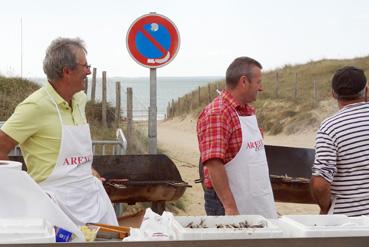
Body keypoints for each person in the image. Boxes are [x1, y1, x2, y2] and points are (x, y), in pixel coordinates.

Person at [0, 37, 118, 225]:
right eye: (85, 66)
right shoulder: (35, 106)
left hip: (92, 199)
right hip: (54, 206)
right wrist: (18, 192)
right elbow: (1, 146)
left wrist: (89, 169)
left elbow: (76, 152)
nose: (88, 71)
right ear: (67, 71)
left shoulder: (80, 99)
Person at [196, 56, 277, 218]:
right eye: (258, 82)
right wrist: (230, 208)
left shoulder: (248, 111)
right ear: (244, 81)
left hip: (255, 199)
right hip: (227, 204)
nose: (260, 88)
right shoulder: (218, 113)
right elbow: (213, 163)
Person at [310, 66, 369, 216]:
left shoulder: (330, 127)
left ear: (333, 94)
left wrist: (325, 208)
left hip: (348, 223)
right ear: (366, 91)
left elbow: (320, 185)